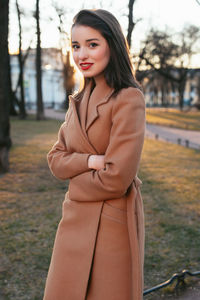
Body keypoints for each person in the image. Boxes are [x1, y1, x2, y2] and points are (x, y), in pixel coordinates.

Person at [43, 9, 146, 300]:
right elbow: (55, 159)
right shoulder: (77, 100)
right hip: (73, 224)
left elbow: (115, 179)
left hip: (110, 225)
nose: (81, 54)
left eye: (92, 44)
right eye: (76, 46)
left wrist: (74, 181)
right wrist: (89, 161)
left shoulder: (129, 98)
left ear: (111, 46)